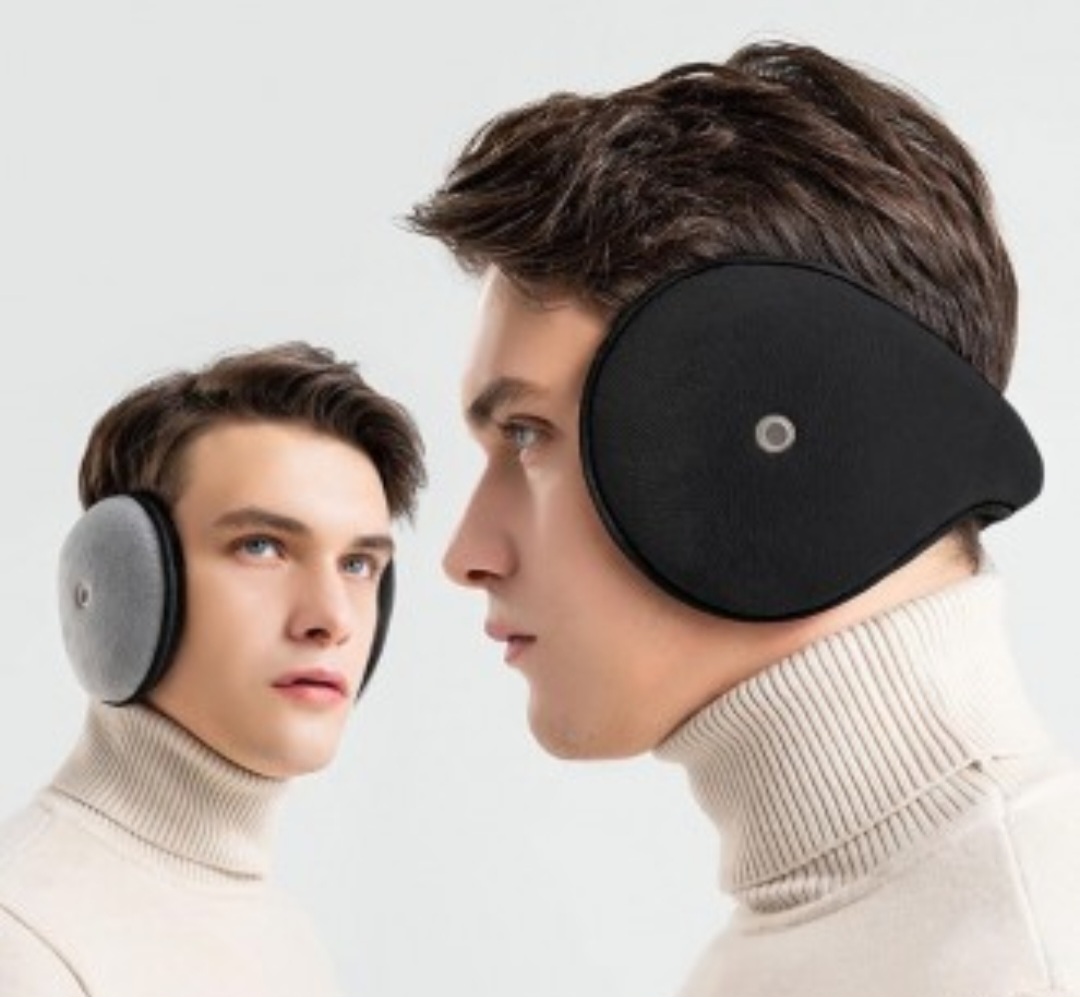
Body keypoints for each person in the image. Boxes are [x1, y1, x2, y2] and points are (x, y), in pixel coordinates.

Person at [408, 41, 1080, 996]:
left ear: (772, 432)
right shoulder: (820, 943)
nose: (465, 554)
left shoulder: (1023, 957)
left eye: (528, 434)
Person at [0, 342, 425, 997]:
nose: (332, 617)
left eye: (358, 564)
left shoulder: (289, 940)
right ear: (122, 578)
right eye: (262, 546)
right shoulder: (26, 938)